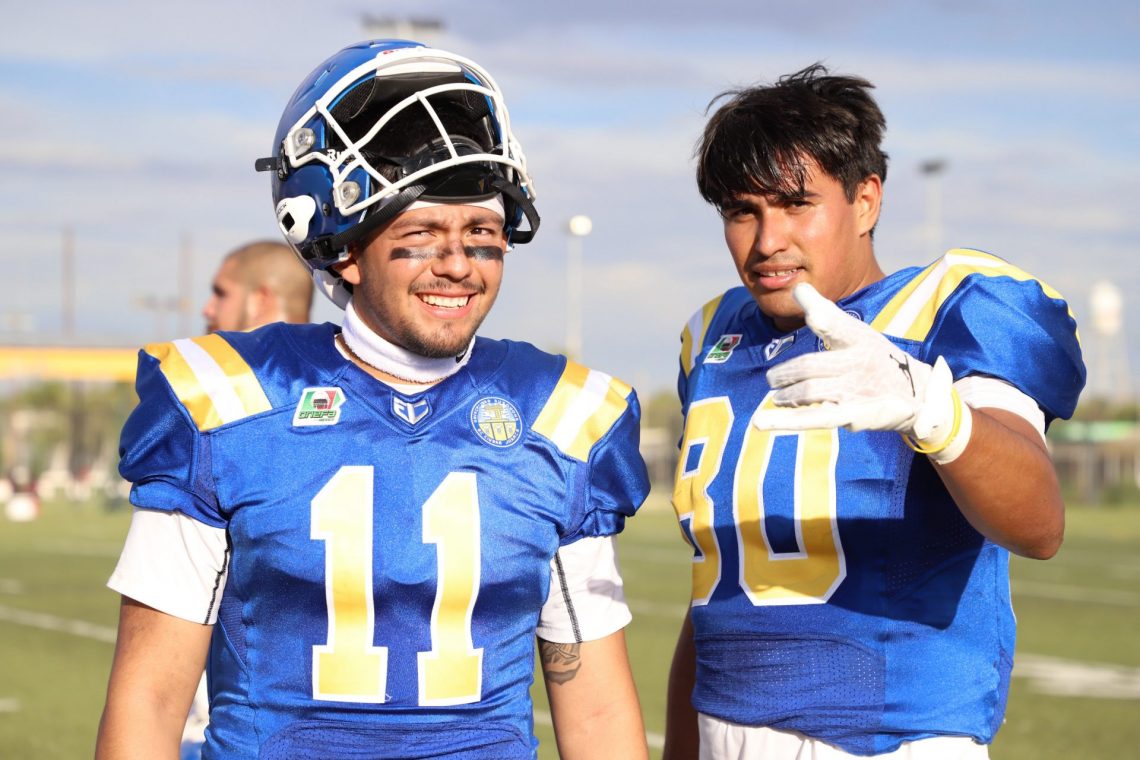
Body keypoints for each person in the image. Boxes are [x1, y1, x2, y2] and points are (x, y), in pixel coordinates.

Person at [96, 39, 650, 760]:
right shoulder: (229, 402)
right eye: (422, 233)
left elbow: (597, 713)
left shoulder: (559, 415)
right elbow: (148, 698)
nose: (457, 264)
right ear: (345, 249)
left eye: (481, 232)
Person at [662, 64, 1085, 760]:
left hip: (894, 741)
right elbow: (717, 587)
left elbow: (1039, 525)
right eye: (742, 211)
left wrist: (935, 412)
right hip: (723, 729)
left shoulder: (948, 309)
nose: (767, 241)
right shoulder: (714, 335)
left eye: (796, 203)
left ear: (865, 200)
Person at [201, 239, 314, 333]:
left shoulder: (210, 352)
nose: (207, 310)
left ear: (261, 301)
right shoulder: (322, 352)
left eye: (221, 294)